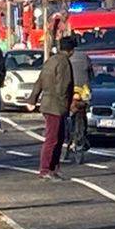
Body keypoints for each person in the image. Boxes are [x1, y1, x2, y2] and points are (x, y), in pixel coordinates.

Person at [33, 37, 77, 177]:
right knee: (53, 139)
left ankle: (53, 168)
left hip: (47, 103)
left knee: (56, 137)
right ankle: (46, 169)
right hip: (56, 106)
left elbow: (39, 81)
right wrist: (68, 104)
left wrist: (33, 99)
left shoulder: (50, 61)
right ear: (70, 50)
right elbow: (64, 85)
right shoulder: (64, 63)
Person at [66, 41, 92, 164]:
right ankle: (82, 138)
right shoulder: (85, 57)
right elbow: (91, 74)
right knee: (83, 113)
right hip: (83, 90)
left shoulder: (66, 58)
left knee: (66, 115)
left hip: (70, 90)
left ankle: (69, 139)